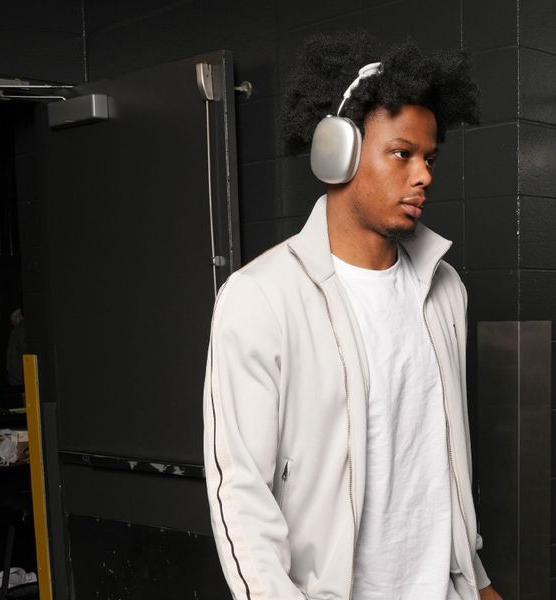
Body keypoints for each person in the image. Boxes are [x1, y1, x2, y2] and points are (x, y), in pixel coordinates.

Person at [203, 32, 502, 600]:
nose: (424, 176)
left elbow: (439, 456)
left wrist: (475, 578)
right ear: (337, 152)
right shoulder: (261, 297)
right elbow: (238, 491)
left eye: (430, 158)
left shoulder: (444, 289)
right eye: (401, 153)